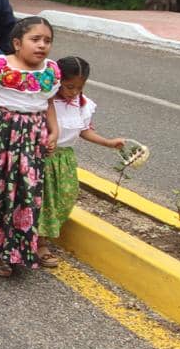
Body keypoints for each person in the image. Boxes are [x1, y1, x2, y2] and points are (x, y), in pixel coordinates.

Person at [0, 16, 61, 277]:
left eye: (47, 40)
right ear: (17, 43)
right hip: (1, 135)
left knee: (23, 193)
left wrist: (54, 130)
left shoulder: (50, 70)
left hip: (32, 139)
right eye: (35, 39)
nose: (42, 45)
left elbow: (48, 102)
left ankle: (10, 252)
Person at [36, 56, 126, 267]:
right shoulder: (44, 101)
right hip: (44, 157)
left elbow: (84, 130)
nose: (74, 92)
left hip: (65, 159)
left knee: (64, 198)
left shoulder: (81, 104)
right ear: (57, 80)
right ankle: (39, 243)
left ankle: (43, 236)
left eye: (79, 87)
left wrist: (108, 142)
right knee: (42, 200)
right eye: (69, 86)